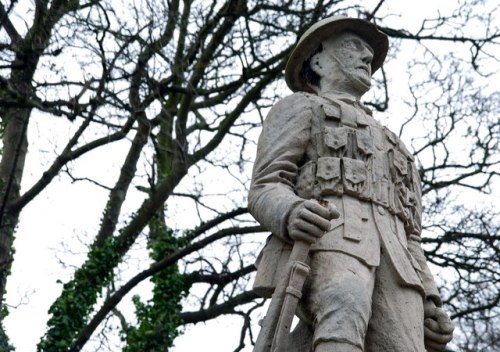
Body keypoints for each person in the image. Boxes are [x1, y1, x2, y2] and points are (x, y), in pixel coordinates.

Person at [248, 16, 454, 352]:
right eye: (353, 47)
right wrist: (290, 212)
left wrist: (431, 299)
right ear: (318, 60)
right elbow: (266, 184)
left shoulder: (395, 144)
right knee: (345, 303)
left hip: (398, 266)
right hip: (329, 240)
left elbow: (410, 233)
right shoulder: (302, 108)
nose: (366, 58)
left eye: (368, 54)